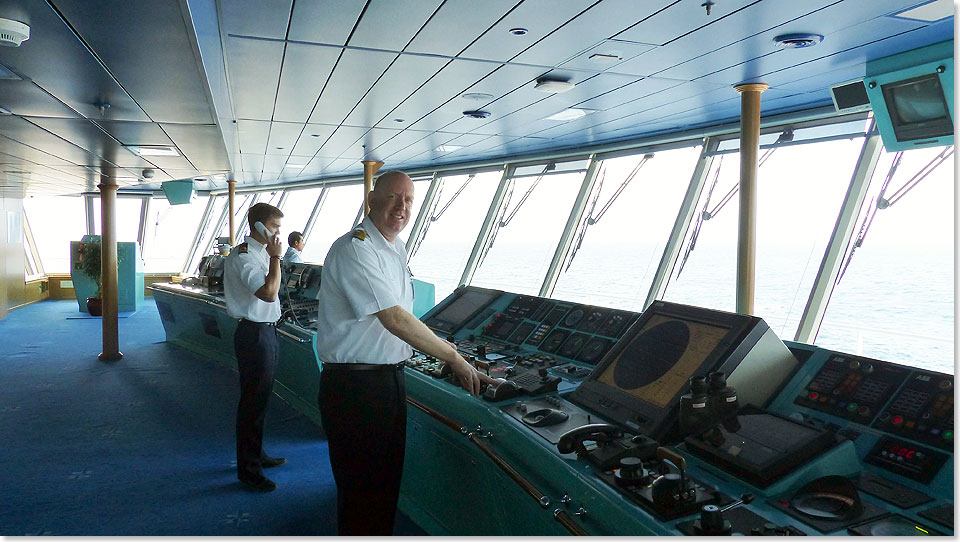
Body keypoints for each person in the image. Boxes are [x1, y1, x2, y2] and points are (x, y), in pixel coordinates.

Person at [314, 171, 499, 535]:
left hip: (386, 382)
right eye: (393, 197)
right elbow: (395, 319)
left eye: (409, 200)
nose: (402, 207)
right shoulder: (357, 247)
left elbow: (402, 319)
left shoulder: (394, 248)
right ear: (372, 199)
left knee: (384, 487)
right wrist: (453, 357)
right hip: (355, 389)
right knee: (361, 491)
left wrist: (446, 350)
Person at [223, 202, 288, 492]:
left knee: (261, 400)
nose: (278, 234)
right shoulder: (245, 256)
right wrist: (276, 258)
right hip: (253, 336)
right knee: (252, 403)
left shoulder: (261, 254)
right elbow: (268, 293)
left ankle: (257, 454)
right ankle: (248, 471)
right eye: (274, 227)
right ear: (259, 227)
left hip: (267, 333)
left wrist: (272, 257)